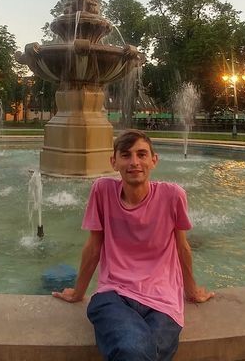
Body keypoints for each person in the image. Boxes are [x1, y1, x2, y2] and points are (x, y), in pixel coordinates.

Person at [53, 129, 214, 360]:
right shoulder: (102, 190)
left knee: (135, 350)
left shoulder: (173, 195)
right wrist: (79, 292)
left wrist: (191, 291)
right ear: (114, 161)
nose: (134, 162)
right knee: (134, 348)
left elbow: (182, 247)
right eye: (126, 155)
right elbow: (93, 246)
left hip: (162, 300)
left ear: (154, 160)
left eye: (142, 154)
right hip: (113, 294)